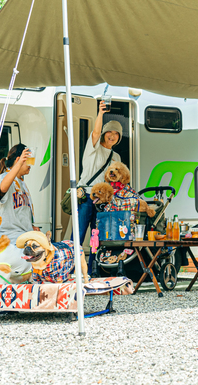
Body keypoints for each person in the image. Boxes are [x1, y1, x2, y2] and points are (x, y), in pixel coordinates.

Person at [75, 100, 124, 269]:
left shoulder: (116, 157)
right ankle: (71, 269)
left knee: (97, 237)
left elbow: (118, 181)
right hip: (87, 197)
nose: (112, 135)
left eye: (116, 133)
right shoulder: (93, 148)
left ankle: (92, 269)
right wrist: (101, 113)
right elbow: (95, 132)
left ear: (119, 137)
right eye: (109, 131)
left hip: (103, 202)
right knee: (79, 235)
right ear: (104, 133)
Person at [0, 143, 38, 281]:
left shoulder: (22, 183)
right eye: (28, 161)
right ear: (18, 160)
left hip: (22, 242)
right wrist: (20, 162)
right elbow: (3, 187)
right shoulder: (3, 179)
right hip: (7, 244)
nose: (30, 165)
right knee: (40, 265)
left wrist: (32, 228)